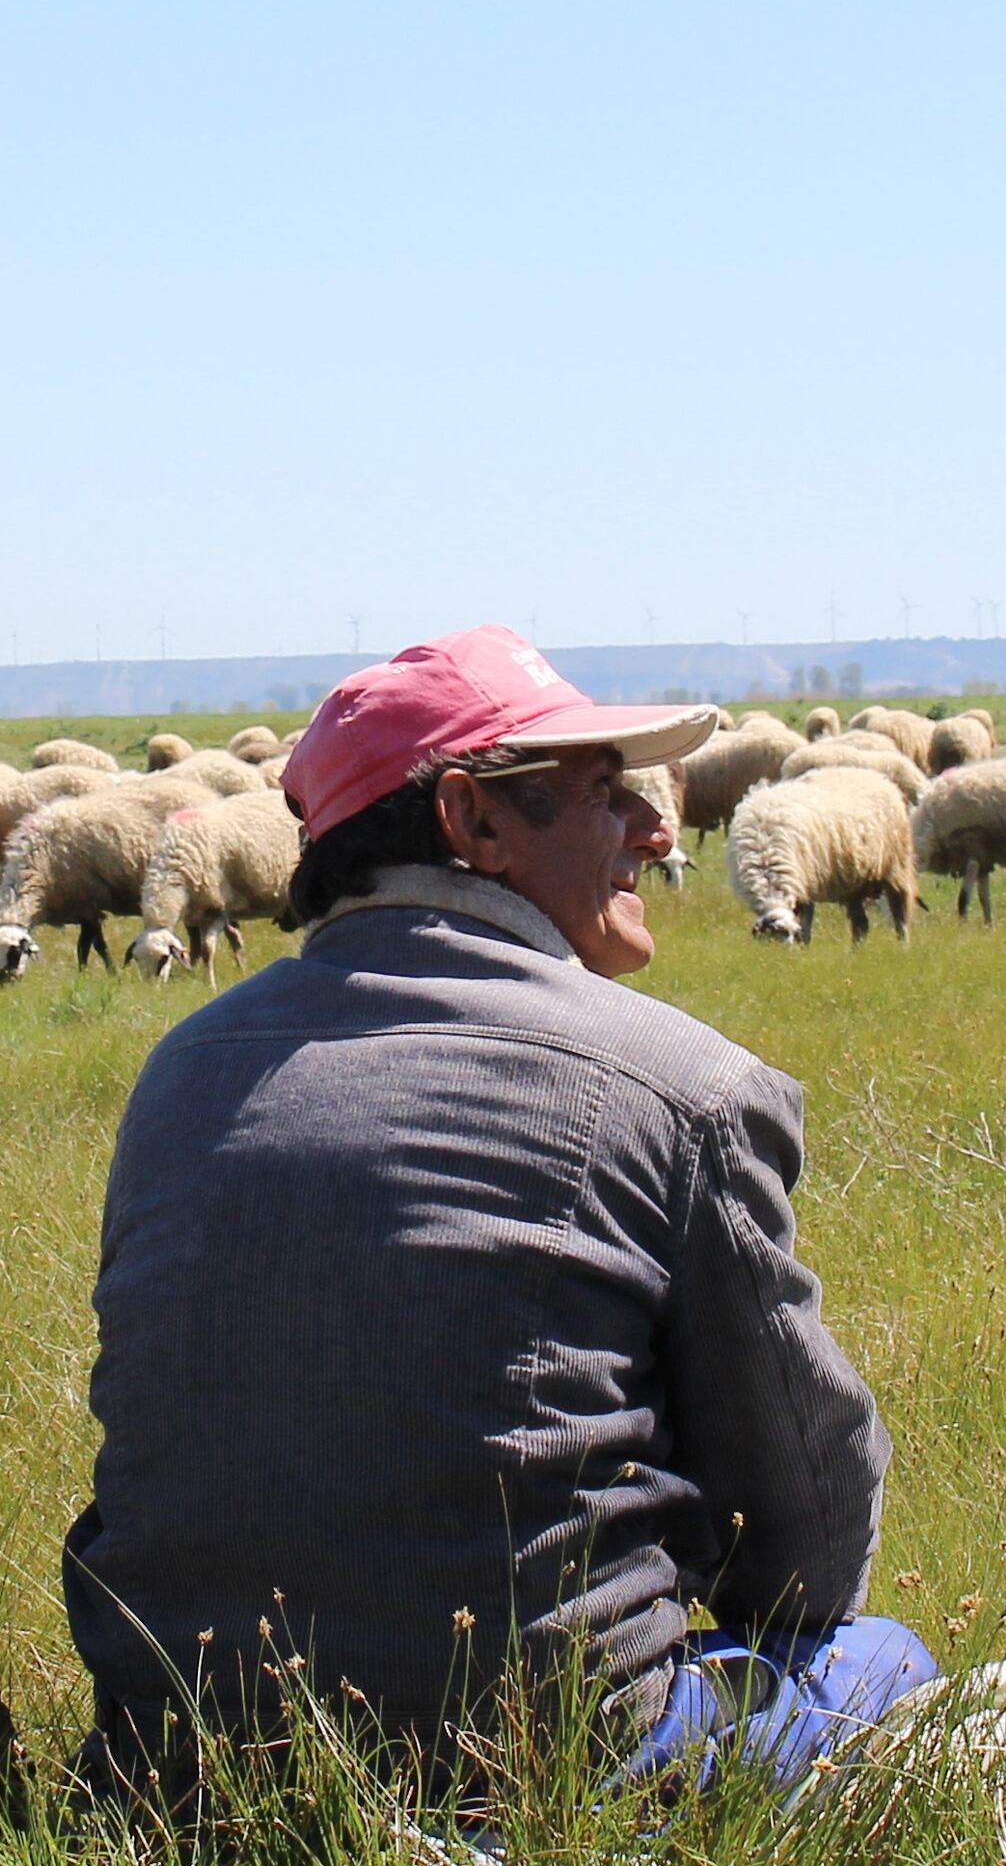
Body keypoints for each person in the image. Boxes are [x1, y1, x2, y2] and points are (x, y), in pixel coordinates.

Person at [62, 625, 935, 1803]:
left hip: (181, 1757)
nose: (658, 827)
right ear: (472, 821)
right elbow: (804, 1538)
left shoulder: (182, 1072)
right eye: (602, 794)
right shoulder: (683, 1088)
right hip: (538, 1762)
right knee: (873, 1662)